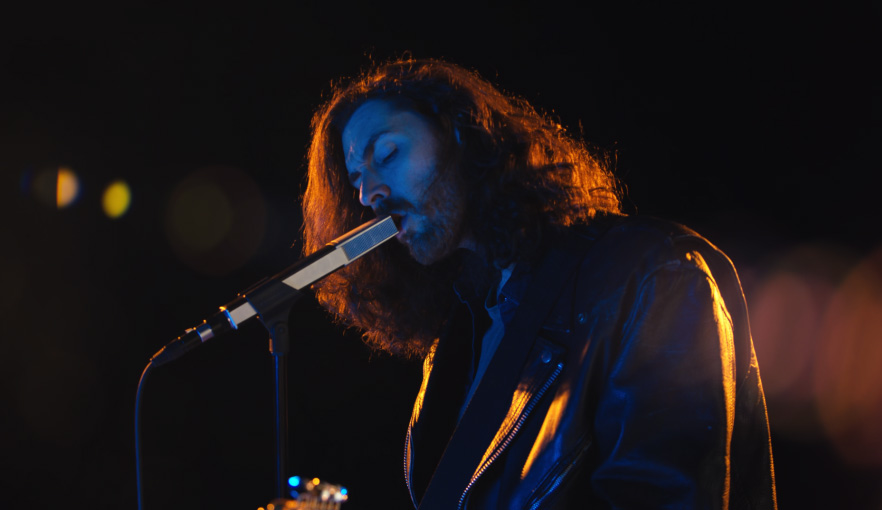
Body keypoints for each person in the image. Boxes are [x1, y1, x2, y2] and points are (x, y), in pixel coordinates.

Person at [300, 58, 777, 509]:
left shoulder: (652, 272)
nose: (370, 194)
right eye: (357, 180)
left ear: (460, 133)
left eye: (387, 153)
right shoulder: (462, 331)